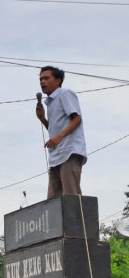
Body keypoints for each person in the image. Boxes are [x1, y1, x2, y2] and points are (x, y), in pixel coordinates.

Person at [35, 65, 86, 199]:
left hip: (69, 152)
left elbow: (77, 119)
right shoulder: (50, 102)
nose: (42, 82)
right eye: (40, 79)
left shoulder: (65, 93)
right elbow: (54, 130)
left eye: (46, 78)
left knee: (71, 197)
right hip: (55, 157)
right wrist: (43, 119)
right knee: (53, 201)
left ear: (58, 81)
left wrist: (59, 137)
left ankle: (77, 221)